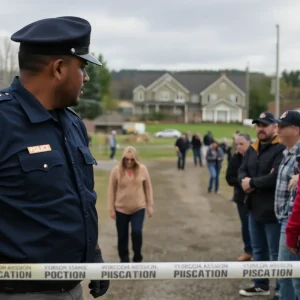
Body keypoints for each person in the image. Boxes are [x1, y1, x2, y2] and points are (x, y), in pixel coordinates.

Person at [0, 16, 109, 299]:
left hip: (71, 288)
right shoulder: (2, 122)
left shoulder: (72, 123)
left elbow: (81, 198)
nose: (85, 78)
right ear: (59, 68)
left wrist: (93, 255)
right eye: (82, 68)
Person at [238, 112, 285, 298]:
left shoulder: (281, 148)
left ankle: (282, 290)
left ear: (275, 127)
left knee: (276, 253)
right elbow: (243, 169)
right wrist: (244, 181)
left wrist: (252, 183)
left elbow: (276, 177)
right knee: (258, 250)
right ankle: (261, 285)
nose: (261, 128)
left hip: (273, 211)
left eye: (265, 125)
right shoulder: (253, 148)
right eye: (258, 125)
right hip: (253, 208)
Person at [108, 146, 154, 263]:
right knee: (122, 237)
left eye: (132, 159)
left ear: (136, 159)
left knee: (136, 232)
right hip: (121, 209)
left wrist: (150, 205)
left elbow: (148, 188)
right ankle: (124, 261)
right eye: (126, 159)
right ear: (123, 159)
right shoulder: (116, 171)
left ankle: (137, 258)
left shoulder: (143, 169)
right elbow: (111, 190)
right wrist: (111, 209)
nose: (129, 162)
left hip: (138, 207)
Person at [275, 111, 300, 300]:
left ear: (296, 129)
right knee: (286, 275)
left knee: (290, 275)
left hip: (293, 221)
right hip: (284, 218)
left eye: (283, 126)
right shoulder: (286, 152)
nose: (278, 129)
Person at [226, 133, 252, 261]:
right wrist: (242, 182)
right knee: (245, 225)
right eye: (237, 144)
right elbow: (229, 178)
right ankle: (248, 251)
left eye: (241, 144)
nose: (239, 147)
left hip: (257, 197)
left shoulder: (256, 155)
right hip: (241, 198)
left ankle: (261, 252)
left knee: (258, 225)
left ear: (249, 143)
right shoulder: (235, 158)